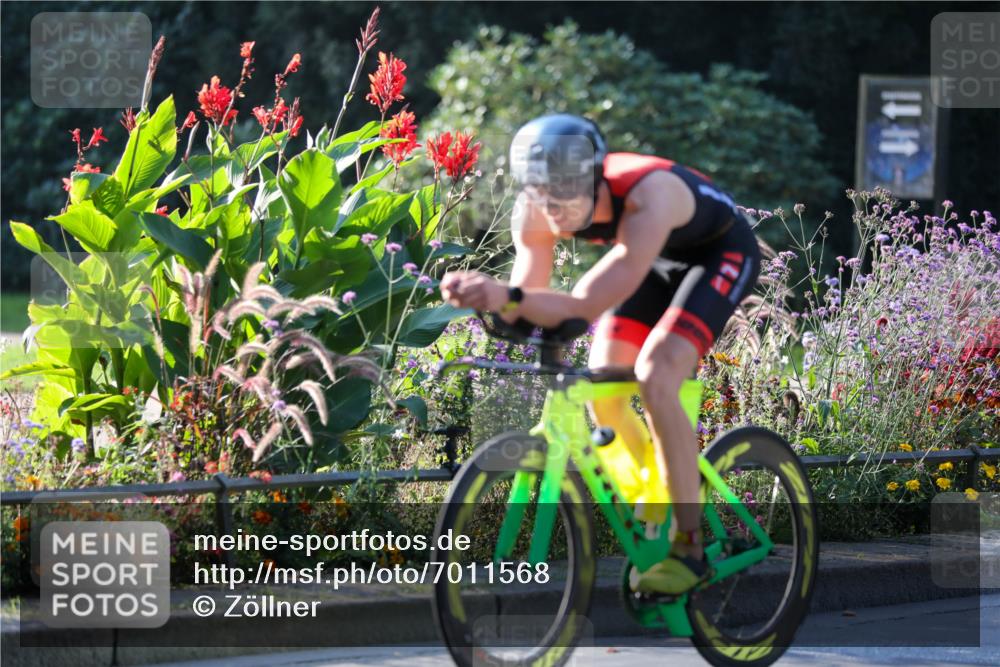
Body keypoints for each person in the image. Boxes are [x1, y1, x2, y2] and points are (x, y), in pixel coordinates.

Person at [440, 114, 761, 595]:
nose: (554, 209)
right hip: (650, 259)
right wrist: (497, 299)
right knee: (603, 391)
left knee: (656, 373)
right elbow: (532, 297)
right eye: (542, 194)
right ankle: (656, 496)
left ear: (597, 178)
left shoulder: (646, 197)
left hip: (719, 254)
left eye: (567, 193)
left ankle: (688, 544)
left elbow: (583, 305)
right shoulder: (533, 210)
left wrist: (505, 296)